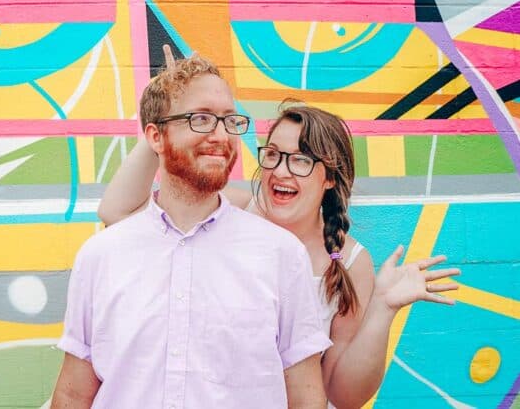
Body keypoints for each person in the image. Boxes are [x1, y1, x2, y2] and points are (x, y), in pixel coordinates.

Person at [95, 47, 461, 409]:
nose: (281, 171)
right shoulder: (233, 212)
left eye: (301, 159)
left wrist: (383, 308)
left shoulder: (347, 261)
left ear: (330, 177)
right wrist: (169, 116)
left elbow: (344, 395)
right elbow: (116, 212)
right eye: (272, 154)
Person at [51, 53, 332, 408]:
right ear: (155, 136)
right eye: (200, 119)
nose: (220, 135)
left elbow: (306, 395)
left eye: (229, 120)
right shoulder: (101, 256)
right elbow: (73, 394)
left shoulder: (280, 255)